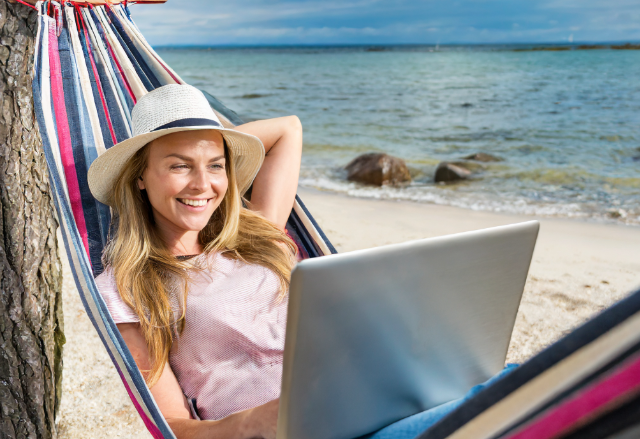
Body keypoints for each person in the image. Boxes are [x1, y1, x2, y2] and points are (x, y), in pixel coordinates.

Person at [89, 84, 515, 439]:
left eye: (217, 166)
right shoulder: (129, 285)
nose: (204, 184)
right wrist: (250, 422)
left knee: (512, 378)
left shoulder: (254, 235)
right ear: (140, 175)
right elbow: (172, 426)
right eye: (180, 166)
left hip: (368, 395)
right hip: (296, 431)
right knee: (513, 400)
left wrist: (210, 142)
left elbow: (288, 130)